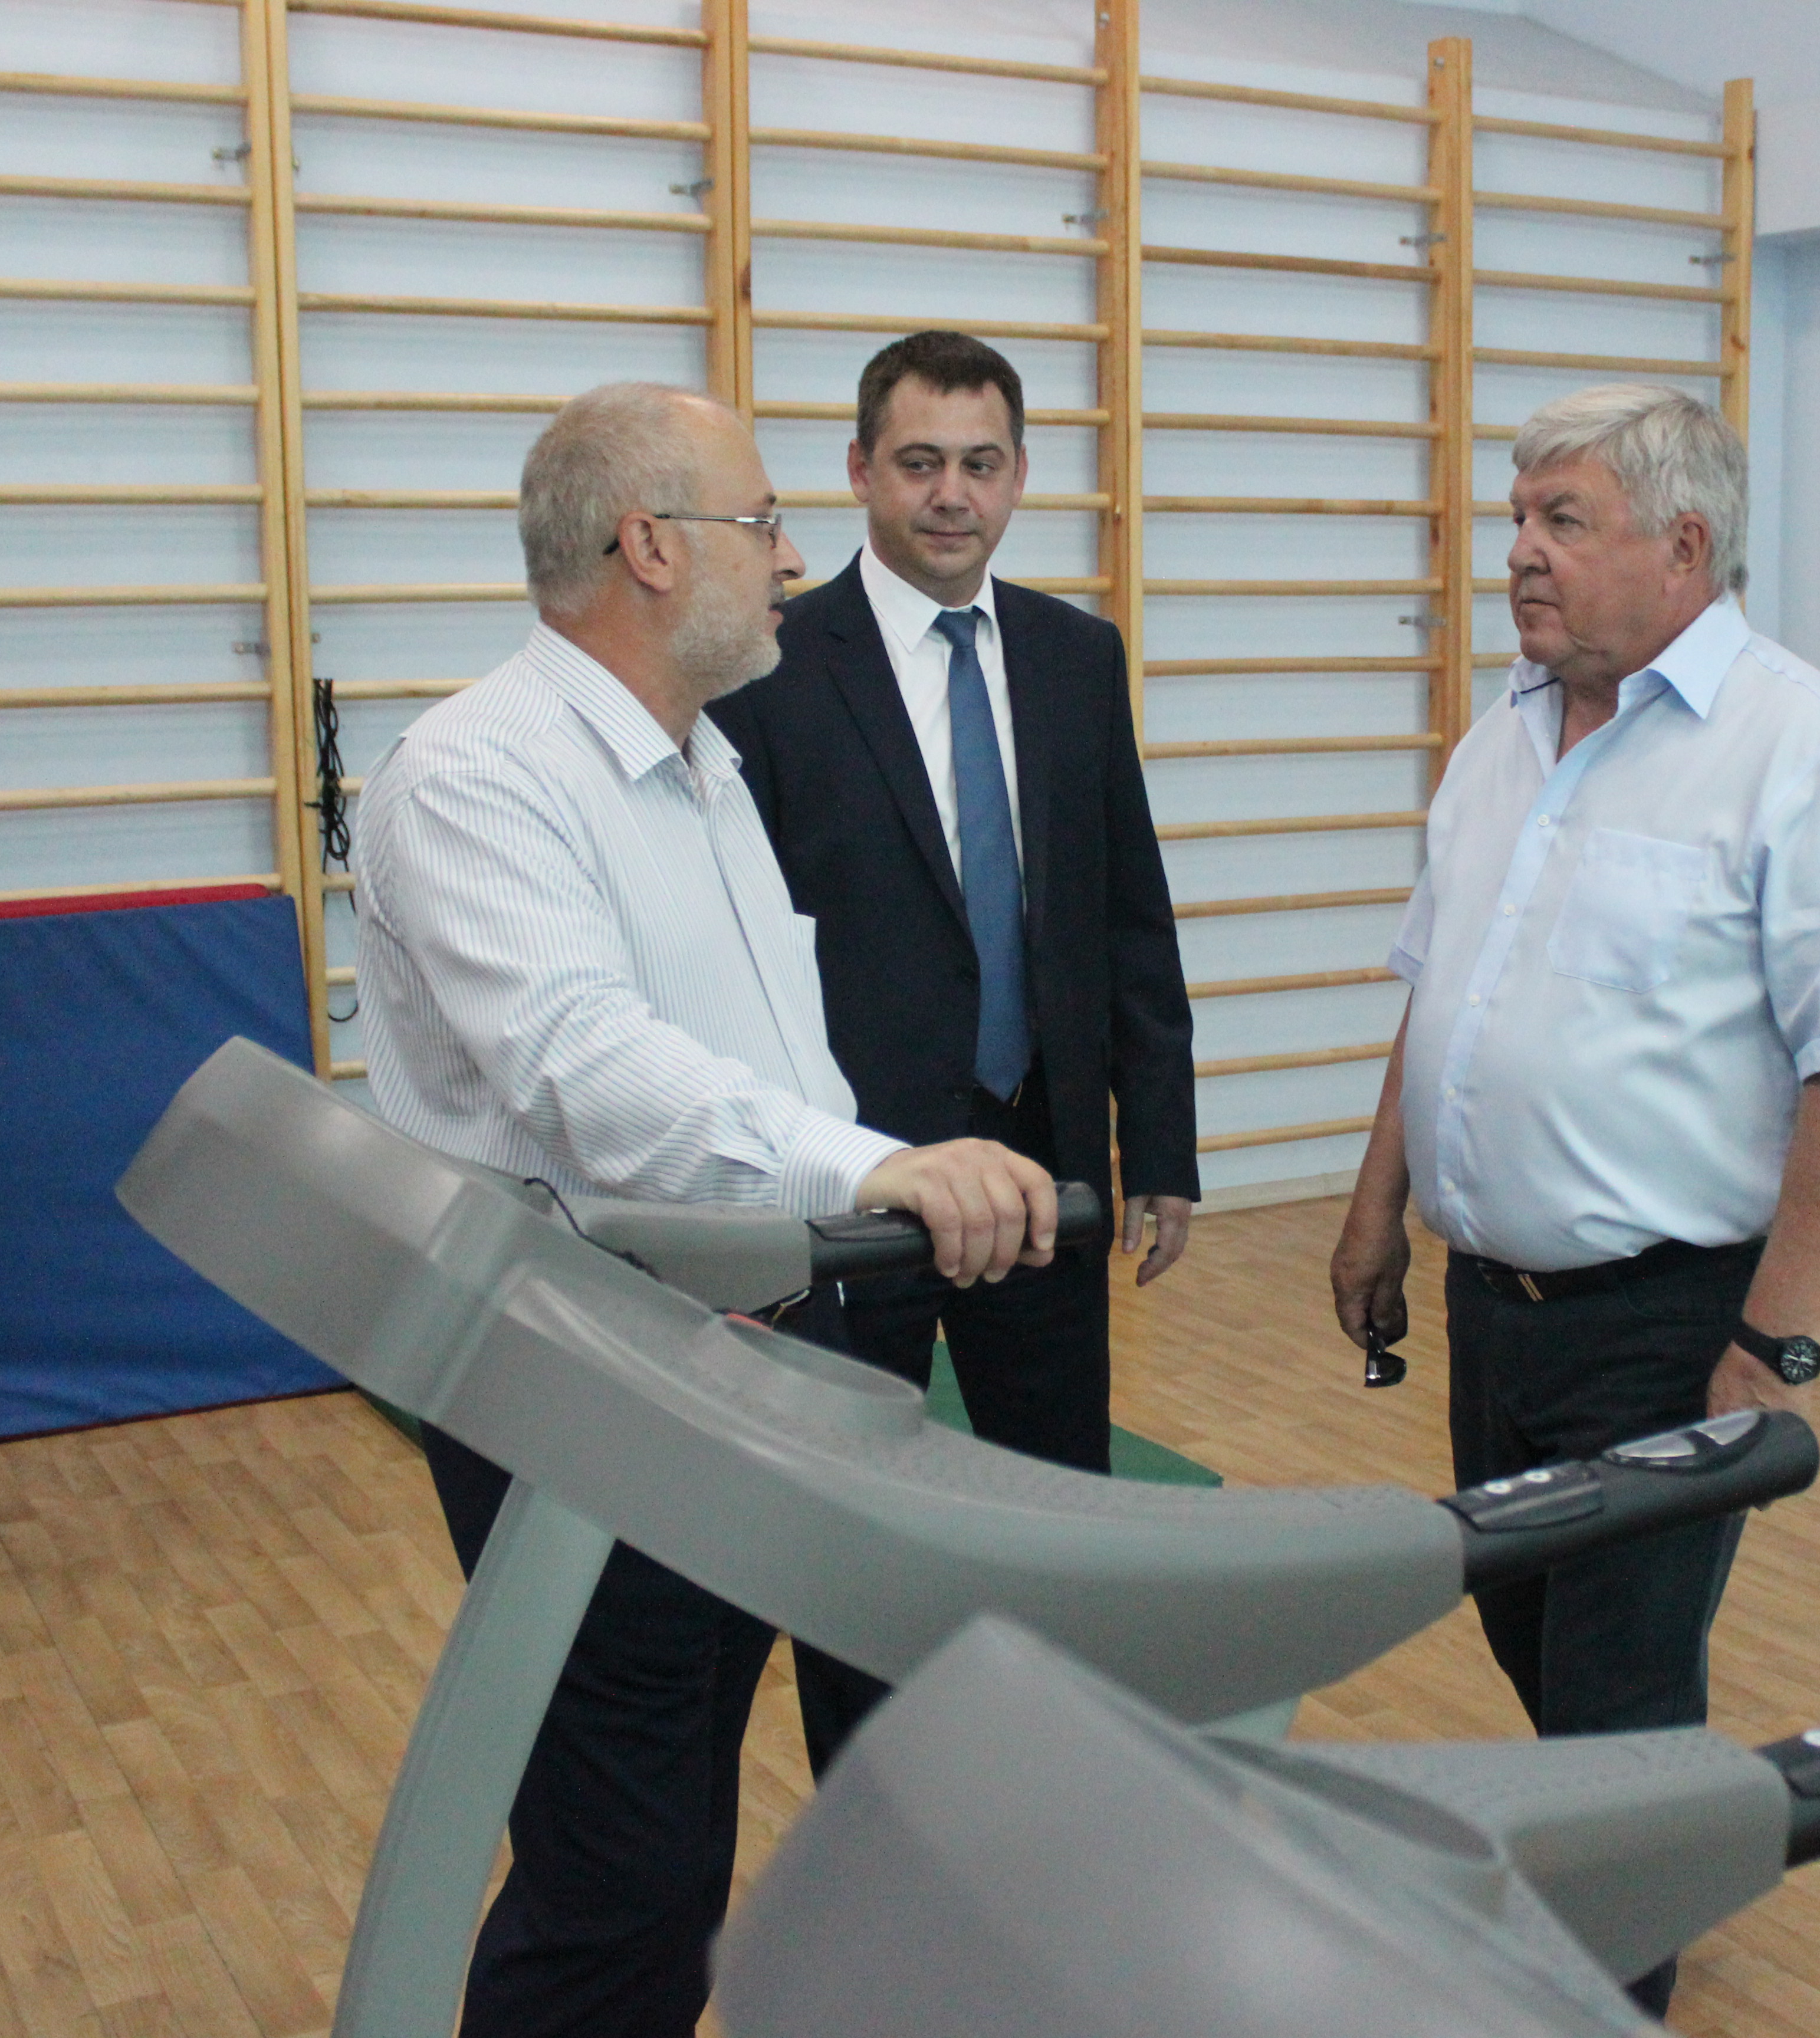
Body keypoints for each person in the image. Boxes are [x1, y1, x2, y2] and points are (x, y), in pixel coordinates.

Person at [351, 381, 1062, 2038]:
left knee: (664, 1851)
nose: (793, 558)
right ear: (653, 547)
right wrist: (872, 1167)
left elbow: (766, 1050)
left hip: (741, 1353)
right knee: (621, 1878)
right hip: (583, 1377)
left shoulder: (702, 765)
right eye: (763, 524)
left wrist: (854, 1194)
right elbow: (584, 1071)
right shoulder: (476, 775)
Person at [1326, 384, 1820, 2014]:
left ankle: (1610, 1969)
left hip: (1668, 1323)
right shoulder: (1503, 736)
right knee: (1530, 1638)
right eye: (1517, 521)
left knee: (1614, 1698)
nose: (1520, 556)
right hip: (1496, 1312)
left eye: (1563, 522)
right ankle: (1660, 1851)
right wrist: (1379, 1207)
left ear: (1683, 546)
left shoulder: (1805, 756)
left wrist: (1778, 1347)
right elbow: (1439, 993)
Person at [707, 331, 1198, 1767]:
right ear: (860, 471)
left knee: (1061, 1514)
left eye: (981, 465)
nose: (950, 495)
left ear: (1021, 476)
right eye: (919, 463)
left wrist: (1161, 1146)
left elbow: (1129, 915)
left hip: (1042, 1170)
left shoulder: (1075, 657)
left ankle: (1055, 1781)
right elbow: (735, 946)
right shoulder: (771, 667)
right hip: (855, 1186)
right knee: (858, 1537)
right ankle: (878, 1803)